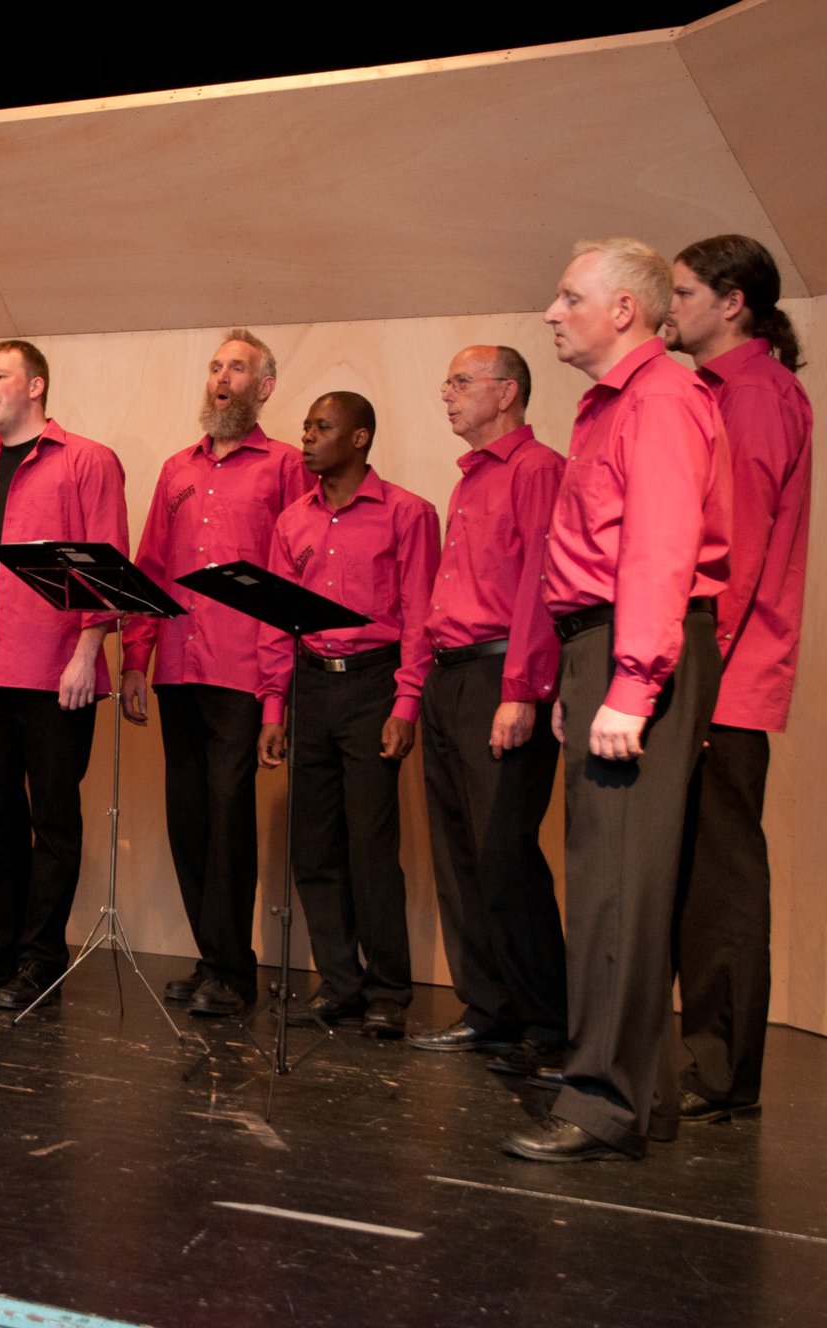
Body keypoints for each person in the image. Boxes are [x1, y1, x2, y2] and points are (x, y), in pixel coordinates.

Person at [503, 237, 729, 1163]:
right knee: (609, 880)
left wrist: (632, 682)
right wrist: (577, 672)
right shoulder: (615, 406)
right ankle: (639, 1097)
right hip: (602, 645)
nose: (551, 312)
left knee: (617, 892)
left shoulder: (664, 400)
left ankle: (602, 1103)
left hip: (638, 646)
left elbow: (660, 550)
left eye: (567, 297)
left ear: (625, 311)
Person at [0, 341, 127, 1008]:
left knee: (53, 821)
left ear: (34, 386)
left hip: (54, 669)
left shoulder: (86, 460)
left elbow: (106, 562)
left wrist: (88, 653)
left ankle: (41, 961)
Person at [664, 234, 811, 1125]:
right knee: (695, 876)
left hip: (722, 679)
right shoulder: (724, 392)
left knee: (720, 882)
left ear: (732, 304)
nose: (668, 307)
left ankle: (724, 1075)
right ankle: (705, 1063)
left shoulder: (754, 397)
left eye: (681, 294)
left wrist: (682, 674)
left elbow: (738, 555)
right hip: (709, 674)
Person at [120, 331, 307, 1017]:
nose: (221, 378)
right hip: (176, 663)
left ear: (264, 387)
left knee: (229, 816)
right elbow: (148, 569)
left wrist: (276, 693)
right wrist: (135, 657)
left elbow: (293, 574)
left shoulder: (287, 467)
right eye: (215, 366)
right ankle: (212, 959)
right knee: (189, 818)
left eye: (237, 368)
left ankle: (234, 971)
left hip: (242, 666)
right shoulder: (176, 468)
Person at [257, 392, 437, 1040]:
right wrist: (273, 707)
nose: (305, 437)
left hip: (372, 685)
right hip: (311, 684)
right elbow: (276, 619)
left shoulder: (409, 513)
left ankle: (389, 992)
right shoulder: (291, 521)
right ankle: (339, 984)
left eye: (321, 427)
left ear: (359, 438)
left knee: (370, 847)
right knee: (313, 844)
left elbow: (421, 616)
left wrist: (406, 702)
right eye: (305, 426)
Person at [410, 346, 568, 1076]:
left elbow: (543, 580)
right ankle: (489, 1010)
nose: (447, 393)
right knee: (460, 853)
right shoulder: (472, 479)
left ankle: (545, 1019)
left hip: (501, 673)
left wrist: (521, 689)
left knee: (505, 856)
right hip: (451, 677)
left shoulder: (536, 470)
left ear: (507, 394)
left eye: (461, 382)